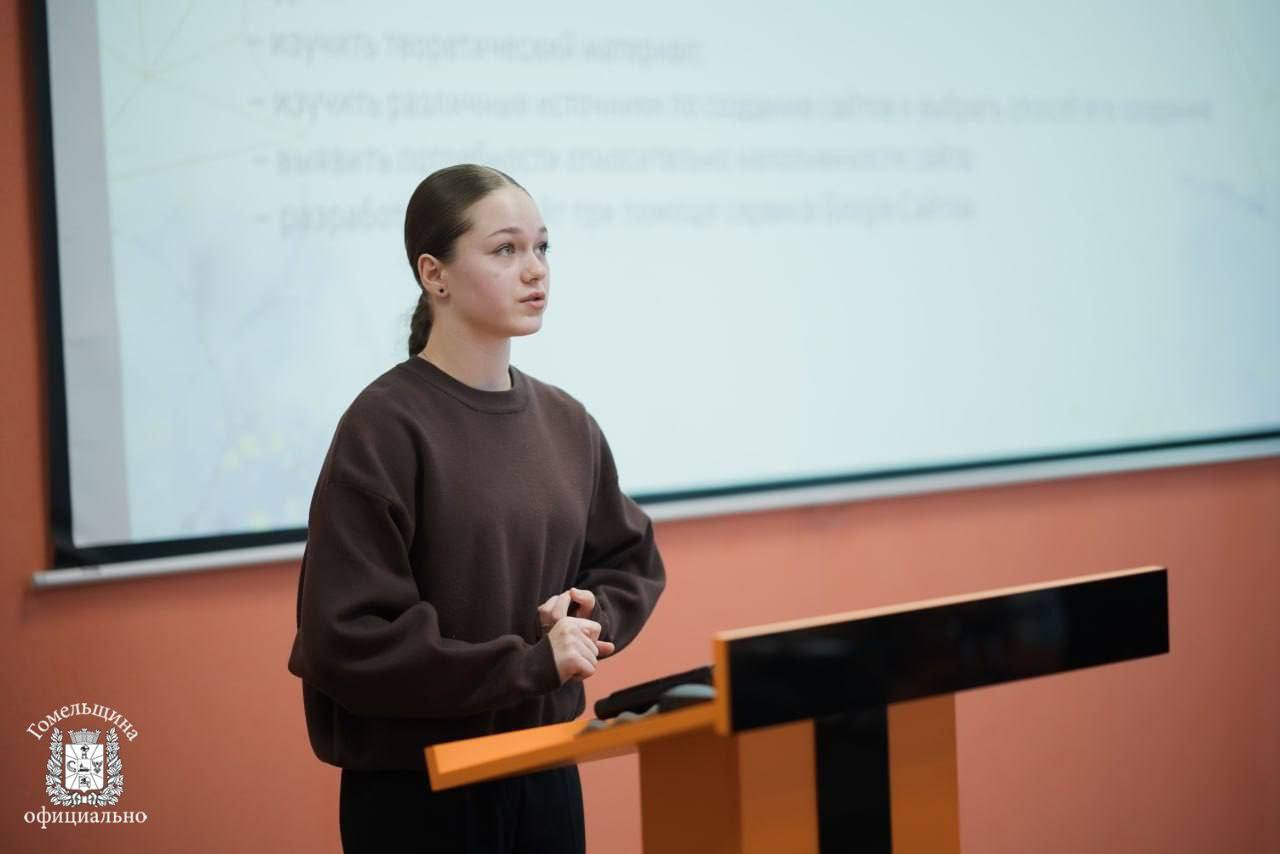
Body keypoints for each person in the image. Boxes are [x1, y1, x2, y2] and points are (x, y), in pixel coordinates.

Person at [286, 164, 666, 853]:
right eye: (506, 249)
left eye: (542, 246)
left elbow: (628, 560)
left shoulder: (566, 421)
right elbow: (348, 639)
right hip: (419, 793)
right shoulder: (384, 427)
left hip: (545, 774)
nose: (535, 270)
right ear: (435, 275)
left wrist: (591, 614)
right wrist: (529, 665)